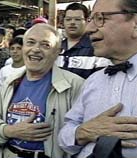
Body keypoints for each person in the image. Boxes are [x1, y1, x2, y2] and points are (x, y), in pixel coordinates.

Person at [0, 23, 84, 158]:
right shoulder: (11, 82)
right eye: (30, 43)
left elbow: (83, 136)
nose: (35, 49)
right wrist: (9, 131)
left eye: (45, 45)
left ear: (57, 52)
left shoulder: (75, 85)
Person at [58, 0, 137, 158]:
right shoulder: (93, 81)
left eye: (100, 18)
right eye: (91, 19)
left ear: (135, 24)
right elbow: (64, 137)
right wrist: (83, 132)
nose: (89, 29)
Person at [55, 3, 111, 79]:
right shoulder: (56, 47)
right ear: (63, 21)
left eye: (77, 19)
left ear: (87, 21)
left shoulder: (96, 48)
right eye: (68, 19)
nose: (72, 23)